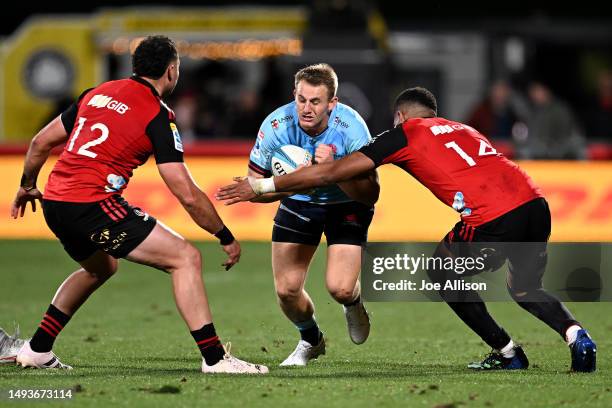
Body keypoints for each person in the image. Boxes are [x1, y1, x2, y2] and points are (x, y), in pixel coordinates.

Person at [217, 87, 597, 373]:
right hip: (536, 204)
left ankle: (508, 353)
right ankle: (577, 336)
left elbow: (334, 173)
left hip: (492, 216)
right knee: (525, 287)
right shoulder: (463, 128)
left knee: (441, 275)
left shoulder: (403, 134)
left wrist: (263, 187)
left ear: (400, 117)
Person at [9, 35, 267, 374]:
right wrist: (224, 234)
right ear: (171, 71)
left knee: (100, 268)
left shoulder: (96, 93)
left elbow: (40, 143)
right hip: (92, 204)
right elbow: (185, 191)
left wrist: (27, 185)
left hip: (56, 202)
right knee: (185, 258)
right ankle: (216, 359)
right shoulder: (157, 113)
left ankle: (38, 349)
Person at [245, 63, 379, 366]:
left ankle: (353, 303)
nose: (306, 109)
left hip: (346, 203)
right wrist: (298, 181)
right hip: (299, 202)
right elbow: (254, 189)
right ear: (294, 95)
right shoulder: (275, 126)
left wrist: (334, 171)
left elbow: (371, 193)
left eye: (316, 102)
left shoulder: (352, 127)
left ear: (332, 104)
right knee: (287, 290)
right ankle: (311, 340)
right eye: (301, 99)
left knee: (341, 288)